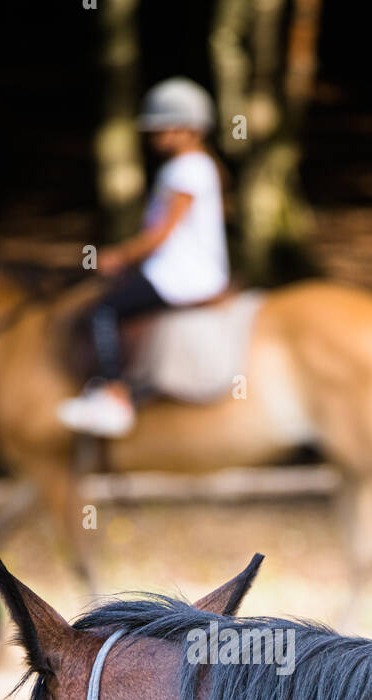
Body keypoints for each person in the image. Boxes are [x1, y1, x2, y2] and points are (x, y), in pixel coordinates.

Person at [58, 78, 230, 438]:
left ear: (190, 129)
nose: (155, 135)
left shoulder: (188, 169)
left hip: (182, 274)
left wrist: (120, 255)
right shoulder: (192, 166)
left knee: (103, 311)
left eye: (163, 127)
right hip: (177, 269)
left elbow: (162, 233)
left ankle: (114, 395)